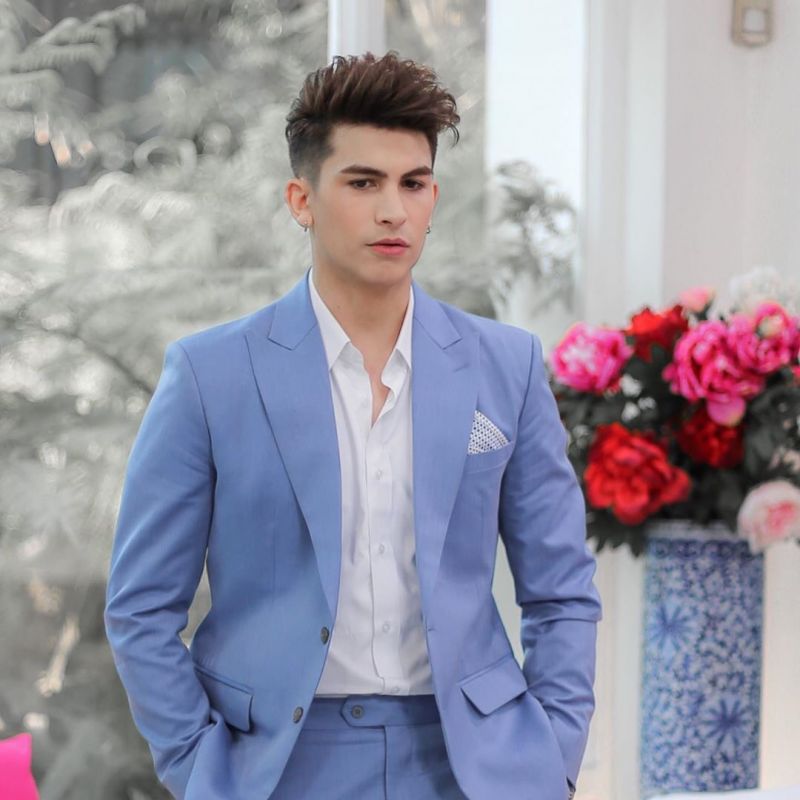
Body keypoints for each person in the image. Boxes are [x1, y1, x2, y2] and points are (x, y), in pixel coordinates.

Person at [104, 50, 602, 800]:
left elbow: (561, 589)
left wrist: (552, 757)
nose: (393, 210)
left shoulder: (508, 365)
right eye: (363, 183)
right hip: (278, 766)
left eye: (413, 183)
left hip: (475, 764)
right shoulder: (210, 375)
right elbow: (141, 608)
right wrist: (201, 769)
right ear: (301, 199)